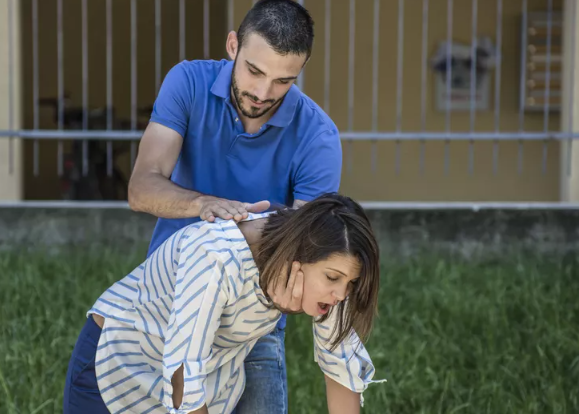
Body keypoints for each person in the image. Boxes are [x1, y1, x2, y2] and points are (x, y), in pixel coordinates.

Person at [126, 1, 342, 411]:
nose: (262, 94)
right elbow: (141, 188)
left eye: (283, 81)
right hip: (169, 303)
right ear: (232, 46)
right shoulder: (188, 82)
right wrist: (205, 204)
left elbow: (306, 255)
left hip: (253, 324)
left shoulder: (319, 137)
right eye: (254, 71)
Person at [63, 193, 385, 414]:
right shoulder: (215, 256)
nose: (342, 294)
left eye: (351, 283)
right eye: (333, 278)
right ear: (299, 253)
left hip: (189, 392)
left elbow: (340, 363)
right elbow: (183, 372)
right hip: (115, 370)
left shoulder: (330, 274)